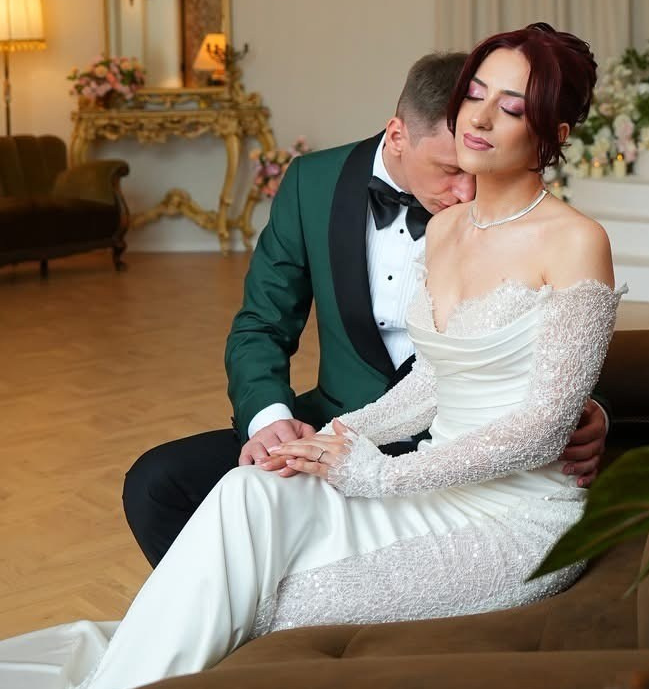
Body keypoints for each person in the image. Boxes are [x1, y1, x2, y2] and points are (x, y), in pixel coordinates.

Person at [0, 24, 625, 689]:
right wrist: (326, 440)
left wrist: (377, 474)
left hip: (515, 514)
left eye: (511, 107)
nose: (480, 119)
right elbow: (432, 379)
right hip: (400, 464)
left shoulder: (576, 240)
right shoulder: (447, 229)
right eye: (475, 95)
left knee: (262, 591)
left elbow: (541, 425)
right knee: (246, 488)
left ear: (552, 134)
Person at [121, 48, 609, 567]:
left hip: (467, 450)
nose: (468, 191)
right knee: (158, 483)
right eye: (450, 170)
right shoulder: (311, 185)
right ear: (397, 136)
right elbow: (261, 324)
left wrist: (592, 410)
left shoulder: (529, 216)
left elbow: (555, 336)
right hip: (345, 423)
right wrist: (271, 422)